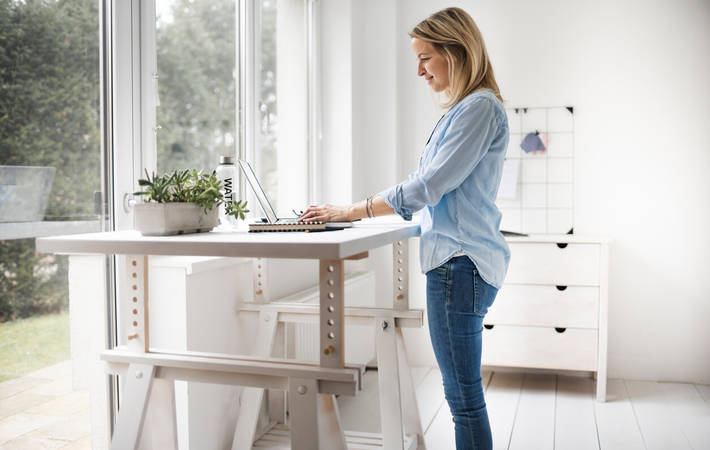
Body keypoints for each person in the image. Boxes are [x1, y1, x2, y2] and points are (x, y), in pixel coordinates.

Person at [300, 7, 509, 449]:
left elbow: (429, 186)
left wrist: (351, 210)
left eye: (426, 58)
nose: (419, 71)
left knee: (463, 399)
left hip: (459, 264)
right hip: (460, 263)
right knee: (462, 396)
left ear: (456, 52)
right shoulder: (467, 110)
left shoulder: (478, 108)